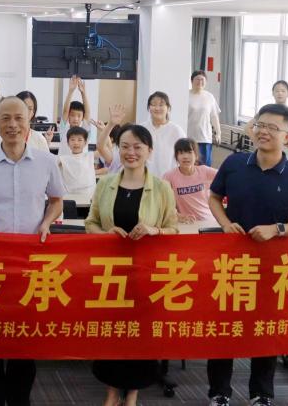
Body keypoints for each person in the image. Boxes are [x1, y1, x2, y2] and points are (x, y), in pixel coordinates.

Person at [207, 103, 288, 406]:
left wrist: (277, 229)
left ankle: (261, 394)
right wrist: (225, 223)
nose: (264, 132)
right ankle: (219, 392)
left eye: (273, 127)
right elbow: (214, 197)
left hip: (273, 267)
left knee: (265, 329)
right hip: (231, 264)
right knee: (225, 329)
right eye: (260, 125)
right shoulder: (234, 164)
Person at [0, 96, 65, 406]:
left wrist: (46, 222)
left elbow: (57, 200)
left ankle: (20, 399)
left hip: (31, 265)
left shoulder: (46, 161)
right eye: (6, 118)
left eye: (19, 118)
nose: (13, 124)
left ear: (29, 120)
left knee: (24, 342)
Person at [85, 123, 177, 406]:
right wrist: (105, 234)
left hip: (146, 274)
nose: (131, 152)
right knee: (112, 332)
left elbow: (174, 229)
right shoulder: (105, 184)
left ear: (149, 151)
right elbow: (91, 223)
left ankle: (133, 393)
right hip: (111, 274)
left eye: (138, 147)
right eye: (125, 146)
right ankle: (112, 390)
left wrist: (154, 230)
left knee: (140, 333)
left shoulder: (161, 188)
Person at [162, 138, 218, 223]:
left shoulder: (205, 171)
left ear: (196, 156)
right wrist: (177, 215)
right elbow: (162, 202)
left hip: (208, 221)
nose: (185, 156)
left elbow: (226, 176)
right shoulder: (169, 176)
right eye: (181, 153)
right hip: (186, 223)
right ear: (176, 157)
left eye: (189, 152)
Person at [141, 91, 186, 177]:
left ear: (168, 108)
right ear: (149, 108)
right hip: (145, 178)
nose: (157, 108)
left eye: (161, 105)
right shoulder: (141, 129)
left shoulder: (176, 131)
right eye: (153, 104)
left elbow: (185, 155)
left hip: (170, 179)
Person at [188, 70, 222, 166]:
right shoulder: (186, 95)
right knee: (189, 165)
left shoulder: (209, 97)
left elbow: (214, 116)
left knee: (204, 166)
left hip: (205, 137)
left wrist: (218, 133)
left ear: (205, 82)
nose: (200, 82)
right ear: (192, 81)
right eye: (197, 79)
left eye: (202, 80)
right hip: (189, 137)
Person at [59, 126, 102, 201]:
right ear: (68, 143)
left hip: (89, 197)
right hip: (70, 198)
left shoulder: (90, 156)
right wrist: (47, 142)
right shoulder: (63, 159)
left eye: (80, 140)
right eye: (72, 140)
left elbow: (106, 149)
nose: (76, 143)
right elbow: (47, 162)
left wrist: (104, 130)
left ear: (85, 142)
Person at [58, 75, 98, 148]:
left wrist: (83, 93)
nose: (76, 119)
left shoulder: (84, 131)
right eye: (72, 115)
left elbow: (87, 112)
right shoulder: (64, 130)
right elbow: (65, 111)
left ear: (82, 117)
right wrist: (70, 91)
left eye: (79, 116)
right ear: (68, 117)